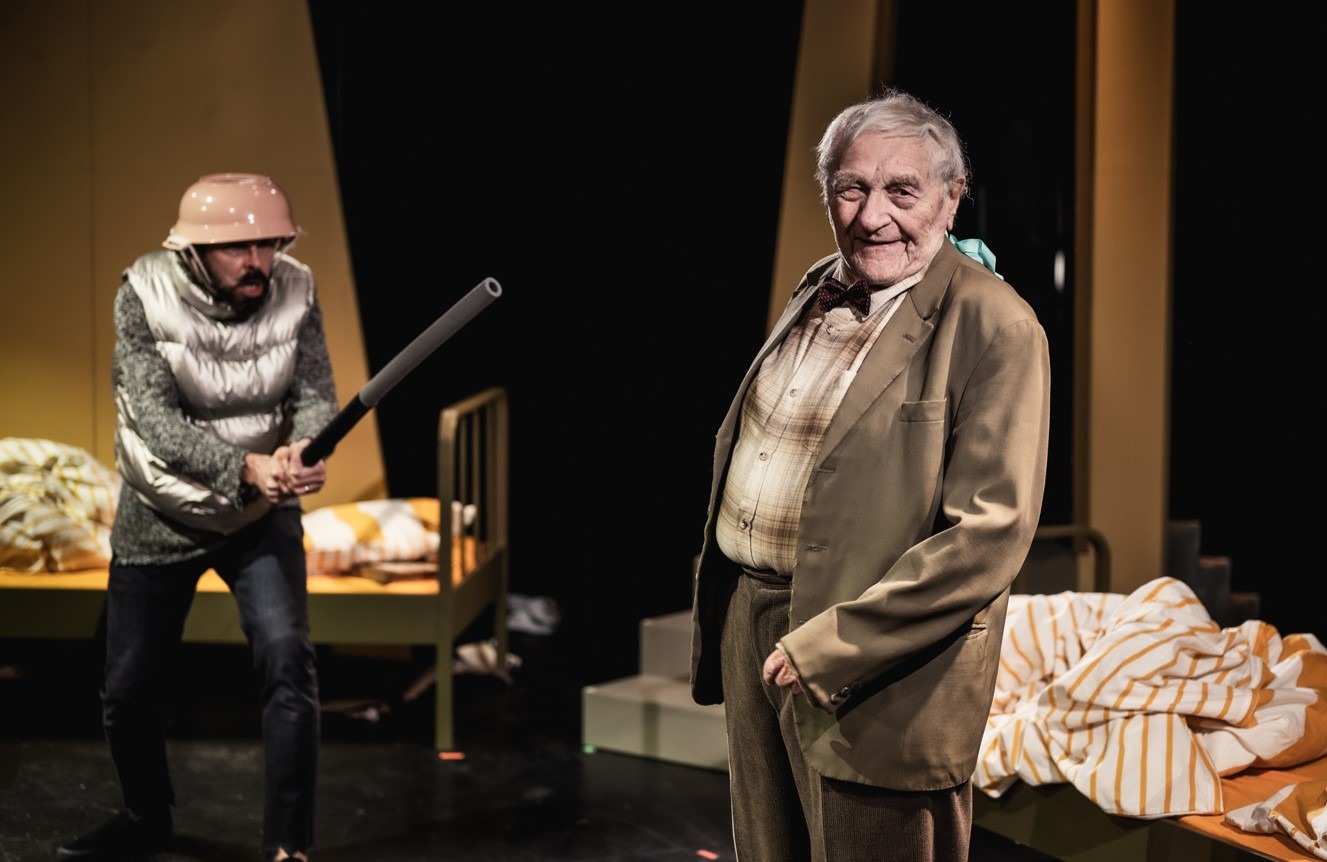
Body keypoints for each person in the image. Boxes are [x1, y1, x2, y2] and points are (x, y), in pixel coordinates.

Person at [689, 89, 1051, 862]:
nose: (871, 215)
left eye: (901, 191)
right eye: (850, 189)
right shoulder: (819, 284)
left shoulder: (995, 323)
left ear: (951, 197)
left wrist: (834, 644)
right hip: (752, 617)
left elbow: (989, 533)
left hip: (874, 658)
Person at [58, 173, 338, 862]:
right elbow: (153, 420)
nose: (259, 262)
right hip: (162, 510)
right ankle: (145, 819)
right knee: (128, 689)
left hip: (260, 514)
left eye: (269, 244)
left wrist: (304, 446)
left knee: (288, 662)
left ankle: (289, 845)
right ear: (192, 251)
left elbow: (314, 391)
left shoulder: (297, 287)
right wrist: (245, 467)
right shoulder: (142, 293)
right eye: (239, 248)